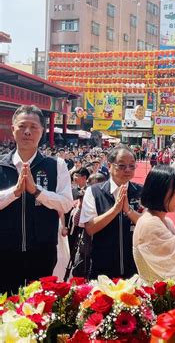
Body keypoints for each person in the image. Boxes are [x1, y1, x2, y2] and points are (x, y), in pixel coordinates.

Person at [0, 105, 74, 293]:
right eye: (22, 126)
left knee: (40, 308)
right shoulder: (1, 164)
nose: (27, 132)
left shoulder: (56, 165)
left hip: (42, 251)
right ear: (13, 129)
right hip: (5, 251)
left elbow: (66, 204)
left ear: (42, 131)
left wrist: (37, 191)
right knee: (6, 309)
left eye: (33, 127)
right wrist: (14, 193)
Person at [79, 144, 142, 279]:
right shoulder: (95, 191)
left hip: (136, 267)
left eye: (132, 166)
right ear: (109, 166)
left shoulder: (141, 191)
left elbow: (148, 224)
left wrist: (129, 211)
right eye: (122, 165)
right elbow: (90, 228)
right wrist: (115, 210)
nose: (127, 170)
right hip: (102, 267)